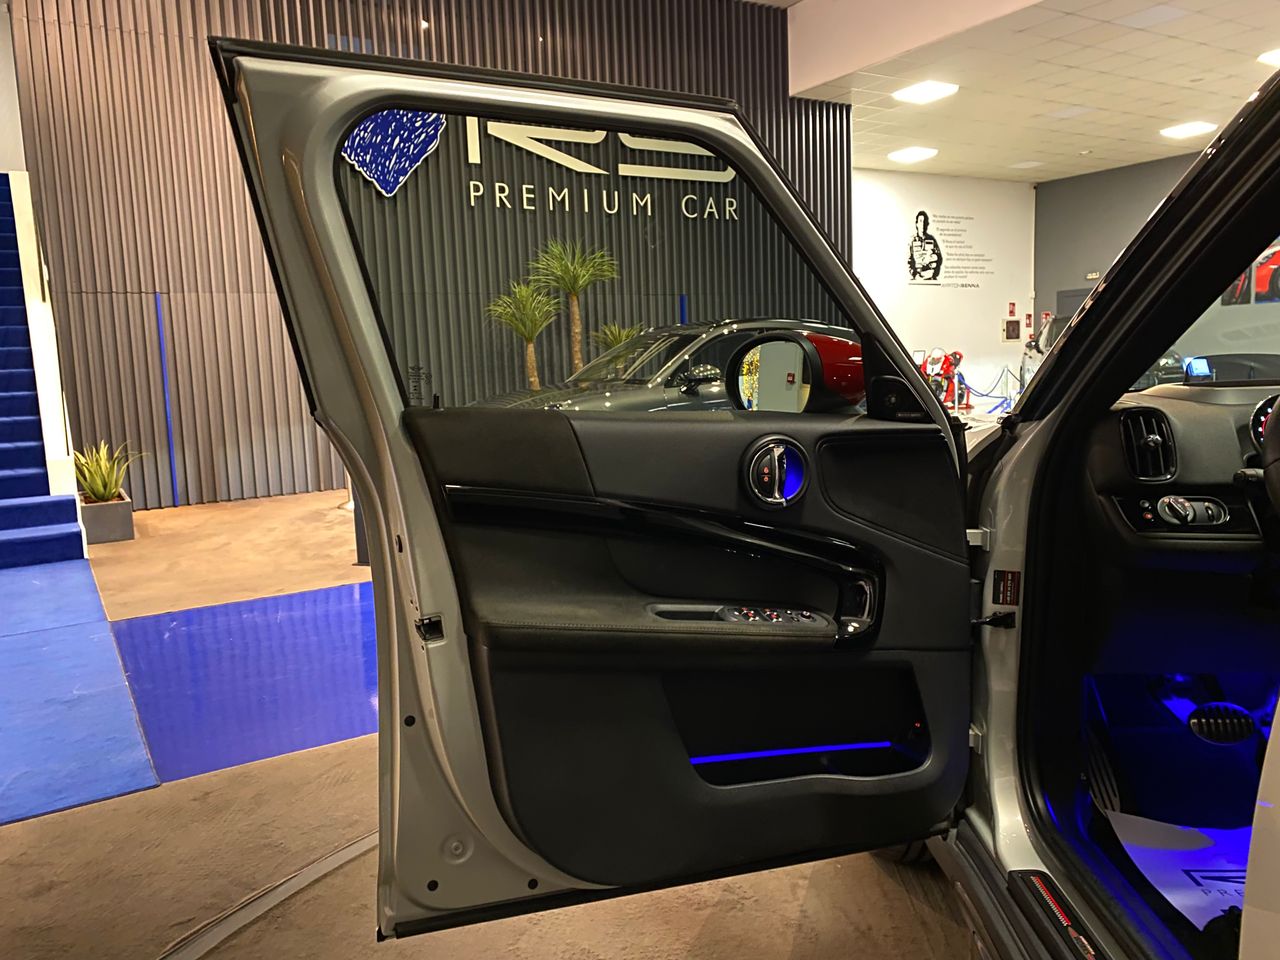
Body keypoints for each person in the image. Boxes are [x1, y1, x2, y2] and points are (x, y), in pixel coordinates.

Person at [908, 210, 943, 281]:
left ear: (927, 224)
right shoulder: (912, 240)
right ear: (916, 224)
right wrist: (915, 275)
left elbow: (939, 259)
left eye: (925, 221)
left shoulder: (932, 239)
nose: (922, 224)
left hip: (930, 277)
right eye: (920, 221)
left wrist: (933, 273)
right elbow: (908, 261)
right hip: (917, 278)